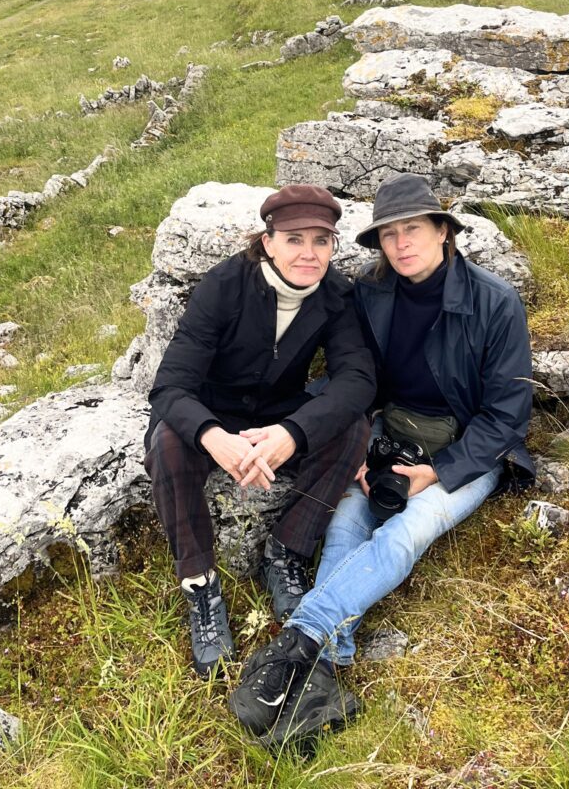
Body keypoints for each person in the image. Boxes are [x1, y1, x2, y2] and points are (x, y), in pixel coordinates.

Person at [229, 173, 535, 748]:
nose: (401, 244)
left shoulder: (495, 302)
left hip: (467, 451)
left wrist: (438, 473)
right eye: (388, 234)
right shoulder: (370, 298)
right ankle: (322, 677)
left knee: (402, 535)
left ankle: (298, 642)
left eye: (413, 229)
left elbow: (507, 415)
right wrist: (355, 448)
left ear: (443, 232)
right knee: (347, 522)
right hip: (387, 435)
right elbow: (357, 382)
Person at [144, 184, 376, 679]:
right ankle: (200, 584)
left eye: (321, 240)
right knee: (167, 441)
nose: (309, 254)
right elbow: (169, 387)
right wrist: (211, 434)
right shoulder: (224, 285)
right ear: (268, 241)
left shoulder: (335, 295)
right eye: (295, 239)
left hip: (279, 413)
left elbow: (357, 379)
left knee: (351, 426)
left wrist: (293, 431)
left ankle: (286, 550)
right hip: (212, 410)